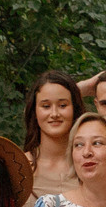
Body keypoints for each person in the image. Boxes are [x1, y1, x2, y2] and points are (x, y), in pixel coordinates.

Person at [22, 69, 85, 198]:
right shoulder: (19, 166)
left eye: (62, 105)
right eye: (46, 106)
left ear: (75, 108)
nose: (54, 114)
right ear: (34, 111)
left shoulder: (90, 162)